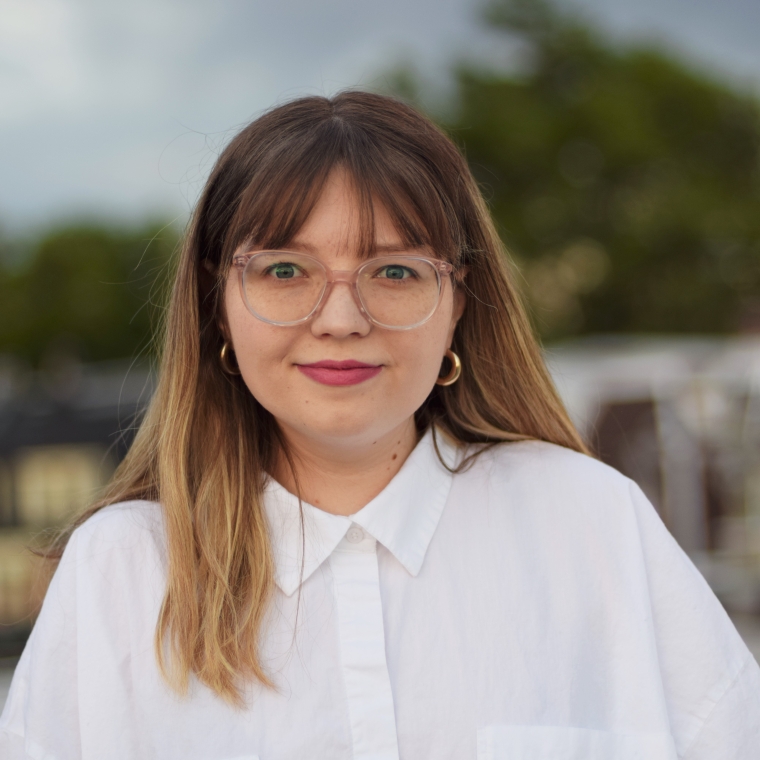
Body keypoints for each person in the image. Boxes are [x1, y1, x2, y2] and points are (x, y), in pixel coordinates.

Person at [1, 91, 758, 760]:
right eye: (285, 271)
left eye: (394, 273)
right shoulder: (123, 574)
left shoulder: (592, 523)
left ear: (458, 299)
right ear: (216, 304)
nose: (339, 320)